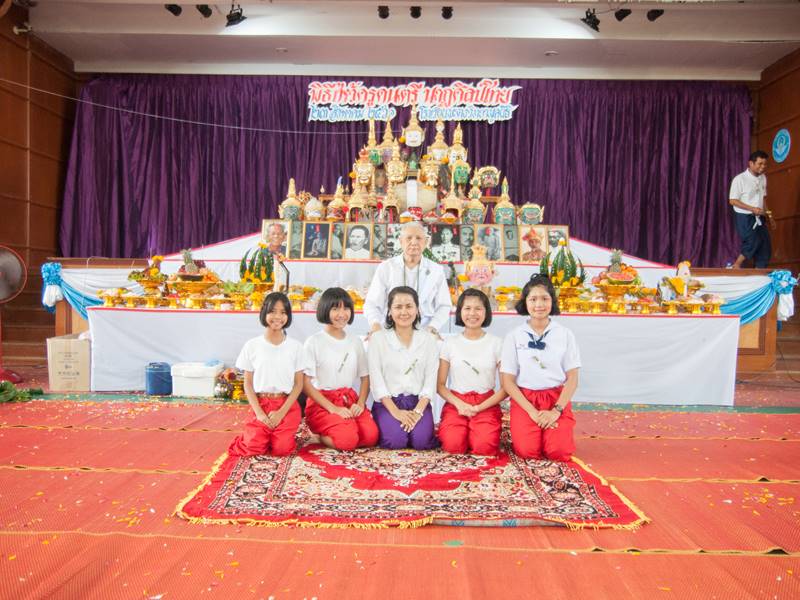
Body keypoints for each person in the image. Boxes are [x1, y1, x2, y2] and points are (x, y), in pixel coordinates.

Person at [500, 275, 580, 461]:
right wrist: (531, 411)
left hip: (555, 398)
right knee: (527, 452)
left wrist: (556, 411)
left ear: (552, 301)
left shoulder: (565, 334)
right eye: (533, 299)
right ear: (525, 302)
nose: (539, 305)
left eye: (545, 298)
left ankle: (555, 432)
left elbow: (573, 377)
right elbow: (507, 381)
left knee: (558, 452)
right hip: (525, 399)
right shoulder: (514, 336)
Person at [228, 292, 304, 457]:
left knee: (281, 449)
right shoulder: (252, 345)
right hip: (261, 403)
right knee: (252, 448)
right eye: (273, 311)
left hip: (286, 405)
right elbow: (248, 383)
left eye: (283, 312)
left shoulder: (296, 347)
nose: (278, 317)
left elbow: (299, 384)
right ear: (264, 313)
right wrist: (259, 413)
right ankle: (259, 436)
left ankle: (279, 436)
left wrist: (281, 413)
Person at [302, 288, 379, 451]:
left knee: (371, 437)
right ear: (325, 309)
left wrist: (360, 403)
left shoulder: (355, 341)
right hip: (323, 403)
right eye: (336, 309)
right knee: (347, 441)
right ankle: (320, 434)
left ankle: (344, 428)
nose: (342, 314)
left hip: (349, 399)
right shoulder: (314, 342)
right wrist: (334, 409)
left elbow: (365, 377)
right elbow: (305, 383)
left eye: (346, 308)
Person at [367, 286, 439, 450]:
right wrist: (396, 412)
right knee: (395, 441)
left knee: (421, 442)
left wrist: (418, 412)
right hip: (388, 402)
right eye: (398, 307)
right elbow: (377, 381)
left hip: (418, 402)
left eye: (409, 306)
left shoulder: (429, 340)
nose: (404, 312)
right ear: (389, 311)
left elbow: (430, 381)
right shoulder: (378, 339)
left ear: (417, 309)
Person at [437, 289, 505, 455]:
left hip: (486, 402)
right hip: (457, 403)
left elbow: (506, 388)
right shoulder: (450, 343)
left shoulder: (497, 343)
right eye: (467, 308)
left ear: (486, 312)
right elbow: (440, 385)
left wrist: (479, 407)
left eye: (478, 308)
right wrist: (459, 404)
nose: (472, 313)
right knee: (453, 445)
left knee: (484, 447)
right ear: (460, 312)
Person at [364, 221, 452, 337]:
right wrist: (376, 326)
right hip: (391, 330)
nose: (414, 242)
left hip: (425, 331)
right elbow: (372, 303)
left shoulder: (436, 270)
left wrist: (433, 327)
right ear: (401, 241)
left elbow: (444, 305)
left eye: (418, 238)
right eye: (409, 238)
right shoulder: (386, 267)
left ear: (426, 242)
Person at [729, 150, 773, 269]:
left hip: (760, 216)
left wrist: (769, 215)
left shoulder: (763, 178)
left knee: (765, 245)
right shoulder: (740, 179)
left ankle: (759, 272)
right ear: (751, 163)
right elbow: (732, 200)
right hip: (744, 216)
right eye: (760, 164)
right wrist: (752, 208)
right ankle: (736, 265)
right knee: (752, 241)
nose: (763, 167)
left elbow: (763, 198)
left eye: (765, 164)